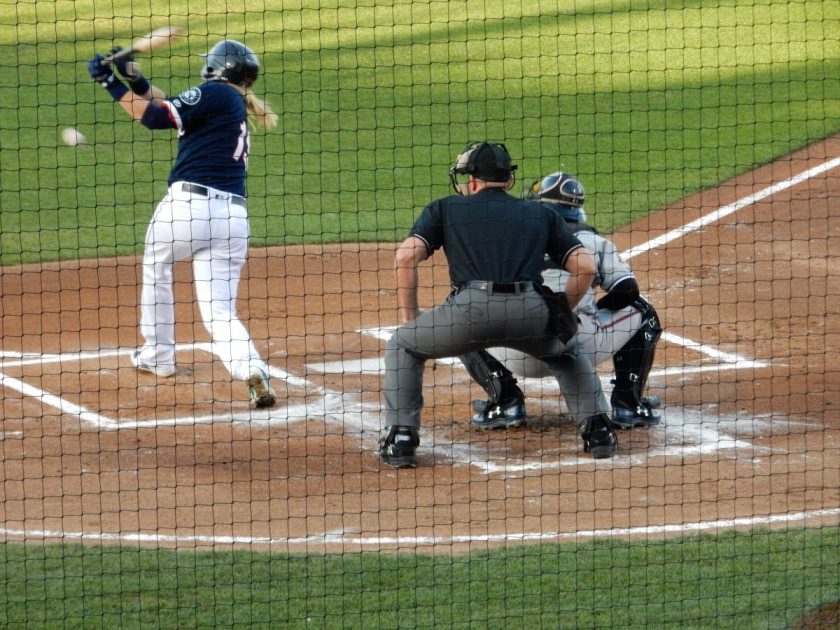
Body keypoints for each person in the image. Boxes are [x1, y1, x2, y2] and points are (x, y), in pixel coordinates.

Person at [380, 142, 619, 468]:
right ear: (507, 181)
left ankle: (402, 438)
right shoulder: (542, 213)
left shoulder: (445, 208)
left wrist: (411, 317)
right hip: (530, 313)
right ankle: (598, 430)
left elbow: (406, 256)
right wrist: (561, 309)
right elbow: (586, 268)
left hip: (468, 316)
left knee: (403, 346)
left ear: (473, 180)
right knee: (567, 349)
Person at [87, 39, 278, 408]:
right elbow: (166, 104)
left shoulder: (215, 93)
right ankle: (252, 369)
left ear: (217, 68)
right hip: (233, 219)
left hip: (188, 210)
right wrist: (133, 77)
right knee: (220, 310)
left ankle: (158, 355)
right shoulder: (230, 102)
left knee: (156, 269)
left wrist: (108, 83)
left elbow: (154, 117)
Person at [462, 171, 662, 430]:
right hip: (577, 347)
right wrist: (594, 308)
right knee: (644, 311)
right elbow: (627, 291)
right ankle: (628, 404)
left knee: (460, 310)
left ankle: (506, 401)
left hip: (515, 349)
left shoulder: (509, 240)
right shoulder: (594, 241)